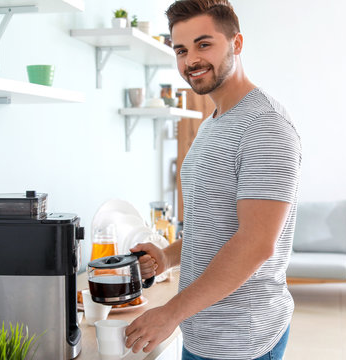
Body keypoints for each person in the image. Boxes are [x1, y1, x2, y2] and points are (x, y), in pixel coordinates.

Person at [125, 1, 302, 359]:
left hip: (243, 339)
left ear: (236, 44)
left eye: (204, 44)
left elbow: (255, 243)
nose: (191, 60)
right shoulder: (214, 121)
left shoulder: (265, 127)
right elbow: (214, 228)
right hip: (202, 330)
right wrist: (167, 256)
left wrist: (170, 311)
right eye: (181, 49)